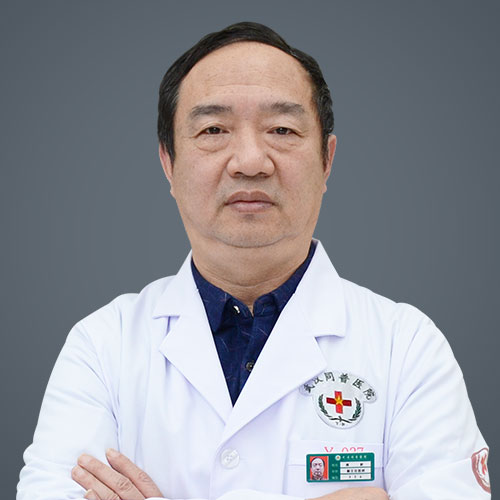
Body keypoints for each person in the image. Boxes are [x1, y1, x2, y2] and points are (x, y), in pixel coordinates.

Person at [17, 22, 490, 500]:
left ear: (326, 160)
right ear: (168, 163)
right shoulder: (103, 346)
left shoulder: (408, 348)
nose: (249, 161)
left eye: (281, 129)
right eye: (213, 130)